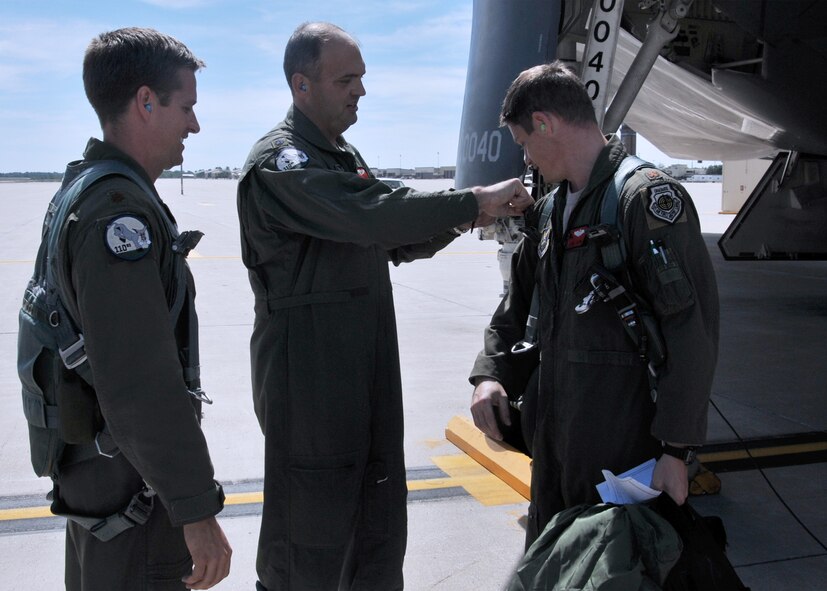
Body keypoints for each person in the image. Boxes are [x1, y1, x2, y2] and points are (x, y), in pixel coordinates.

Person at [236, 21, 532, 591]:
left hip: (363, 378)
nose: (361, 92)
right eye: (347, 79)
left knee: (375, 525)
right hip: (312, 386)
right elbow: (372, 214)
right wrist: (470, 198)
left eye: (362, 78)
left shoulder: (340, 156)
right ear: (302, 85)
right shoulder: (284, 164)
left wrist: (475, 214)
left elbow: (394, 236)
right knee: (310, 540)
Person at [469, 61, 719, 548]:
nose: (526, 160)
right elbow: (516, 307)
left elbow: (692, 329)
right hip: (555, 442)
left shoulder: (643, 200)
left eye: (524, 143)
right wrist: (491, 376)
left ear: (545, 123)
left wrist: (675, 449)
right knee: (554, 563)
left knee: (614, 570)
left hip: (623, 445)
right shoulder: (550, 211)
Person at [18, 27, 231, 590]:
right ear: (144, 102)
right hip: (129, 489)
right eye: (185, 106)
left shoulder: (87, 189)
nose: (194, 124)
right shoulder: (118, 214)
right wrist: (195, 509)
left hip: (103, 481)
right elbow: (140, 382)